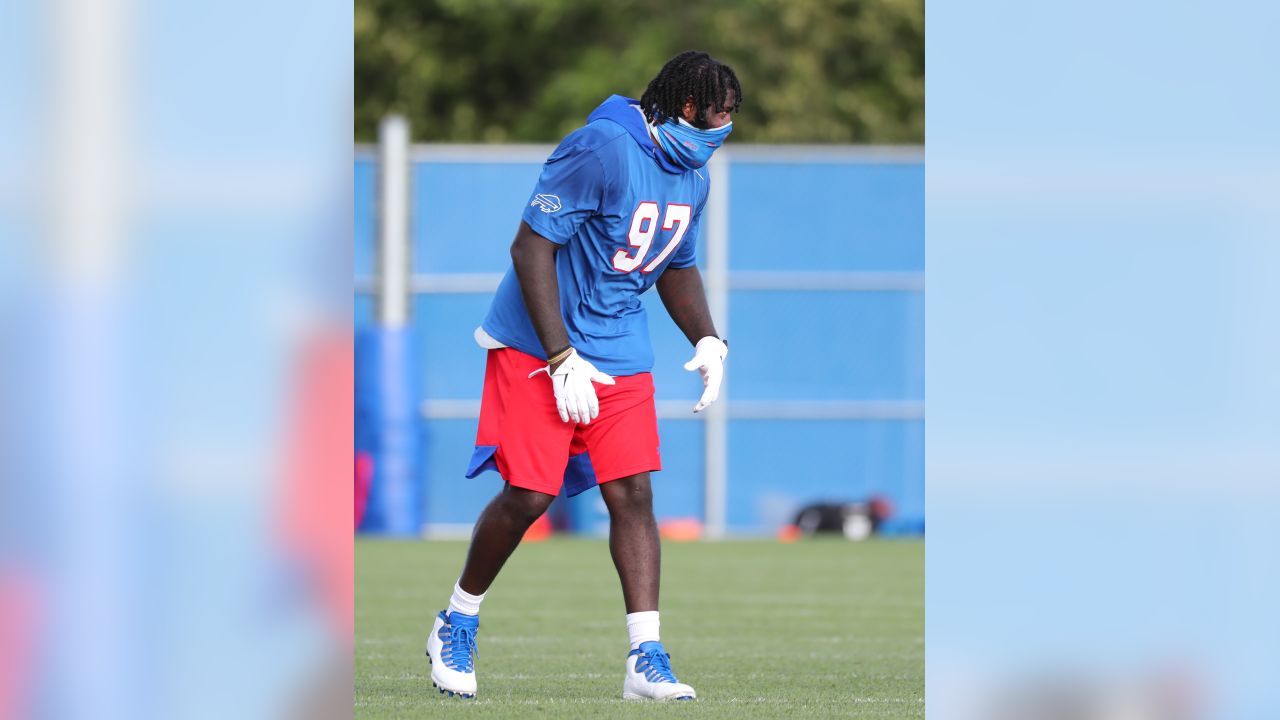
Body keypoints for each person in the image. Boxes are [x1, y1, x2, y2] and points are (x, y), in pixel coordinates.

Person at [426, 50, 742, 702]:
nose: (723, 129)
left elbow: (675, 263)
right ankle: (456, 617)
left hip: (620, 342)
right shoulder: (602, 147)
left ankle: (644, 656)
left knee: (632, 493)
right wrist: (560, 355)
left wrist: (707, 336)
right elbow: (530, 245)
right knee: (530, 496)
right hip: (538, 340)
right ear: (685, 108)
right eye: (718, 116)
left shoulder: (693, 174)